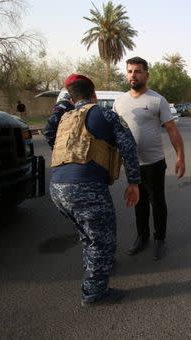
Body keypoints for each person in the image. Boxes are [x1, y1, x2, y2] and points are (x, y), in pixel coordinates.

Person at [49, 74, 141, 307]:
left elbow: (52, 139)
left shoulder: (65, 117)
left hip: (57, 188)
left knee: (88, 233)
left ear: (72, 97)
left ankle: (96, 266)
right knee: (102, 241)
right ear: (94, 95)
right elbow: (128, 149)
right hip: (86, 188)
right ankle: (94, 292)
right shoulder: (106, 114)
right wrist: (134, 183)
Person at [113, 56, 186, 261]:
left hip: (154, 163)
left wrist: (180, 156)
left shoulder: (157, 100)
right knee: (139, 202)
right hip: (132, 164)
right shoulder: (119, 102)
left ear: (146, 74)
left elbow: (172, 130)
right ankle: (142, 237)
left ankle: (159, 239)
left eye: (137, 71)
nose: (133, 75)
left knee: (157, 201)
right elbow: (113, 131)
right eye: (129, 71)